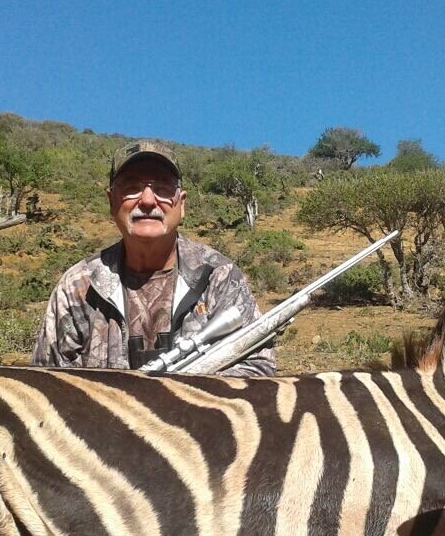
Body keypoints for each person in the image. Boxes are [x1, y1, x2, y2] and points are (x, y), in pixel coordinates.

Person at [32, 140, 276, 376]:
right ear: (111, 201)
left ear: (181, 205)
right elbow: (45, 384)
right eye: (131, 188)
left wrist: (182, 398)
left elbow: (257, 369)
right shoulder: (78, 286)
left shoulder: (218, 276)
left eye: (162, 189)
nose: (148, 201)